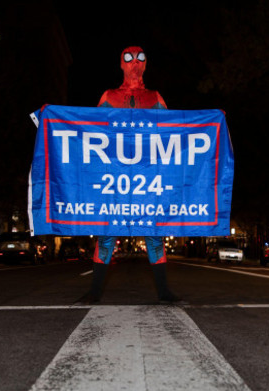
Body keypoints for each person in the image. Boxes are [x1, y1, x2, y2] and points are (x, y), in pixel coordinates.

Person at [76, 46, 183, 304]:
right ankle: (94, 292)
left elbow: (175, 130)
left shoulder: (155, 97)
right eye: (128, 58)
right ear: (120, 64)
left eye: (140, 58)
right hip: (115, 176)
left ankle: (164, 292)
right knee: (107, 233)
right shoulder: (109, 96)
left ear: (146, 64)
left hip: (146, 178)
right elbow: (89, 128)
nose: (134, 63)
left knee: (154, 233)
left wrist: (211, 121)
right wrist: (52, 118)